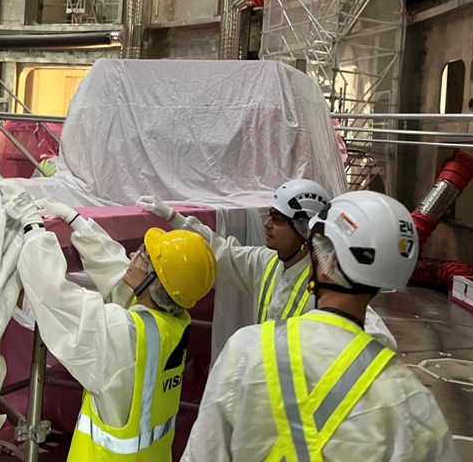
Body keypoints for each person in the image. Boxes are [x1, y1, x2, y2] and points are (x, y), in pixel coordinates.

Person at [181, 190, 457, 461]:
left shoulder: (245, 352)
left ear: (321, 257)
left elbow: (204, 452)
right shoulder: (415, 404)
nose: (267, 223)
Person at [0, 181, 217, 461]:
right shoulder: (171, 322)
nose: (133, 255)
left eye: (143, 257)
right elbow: (120, 275)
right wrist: (76, 222)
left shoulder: (123, 334)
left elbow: (56, 296)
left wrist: (33, 228)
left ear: (154, 282)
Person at [136, 179, 396, 348]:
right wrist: (175, 218)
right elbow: (222, 252)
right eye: (269, 216)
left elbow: (378, 337)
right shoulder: (268, 262)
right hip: (269, 380)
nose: (266, 224)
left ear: (305, 229)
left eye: (278, 219)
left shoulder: (325, 283)